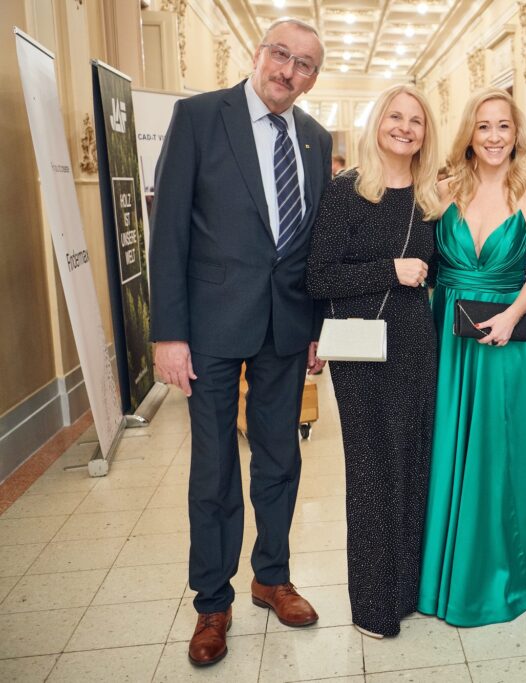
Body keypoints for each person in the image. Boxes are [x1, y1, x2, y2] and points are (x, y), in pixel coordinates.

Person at [149, 18, 332, 667]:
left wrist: (316, 328)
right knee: (214, 467)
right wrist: (168, 333)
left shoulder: (315, 138)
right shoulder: (201, 117)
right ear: (259, 54)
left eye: (304, 64)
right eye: (281, 54)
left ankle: (272, 576)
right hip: (210, 326)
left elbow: (314, 246)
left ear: (313, 78)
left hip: (286, 325)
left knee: (280, 458)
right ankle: (212, 601)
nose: (288, 70)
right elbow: (168, 228)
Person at [418, 88, 526, 626]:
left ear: (516, 133)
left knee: (497, 449)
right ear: (469, 134)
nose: (495, 136)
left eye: (504, 125)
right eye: (484, 126)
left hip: (505, 335)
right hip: (446, 333)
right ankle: (438, 567)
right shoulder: (442, 190)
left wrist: (511, 317)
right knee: (444, 444)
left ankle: (497, 571)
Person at [306, 85, 442, 638]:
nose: (405, 127)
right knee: (371, 474)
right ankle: (371, 606)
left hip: (417, 346)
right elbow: (318, 277)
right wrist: (391, 269)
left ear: (426, 133)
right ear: (376, 123)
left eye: (416, 120)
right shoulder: (348, 191)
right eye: (395, 116)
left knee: (413, 465)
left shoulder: (430, 197)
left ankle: (406, 591)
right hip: (362, 351)